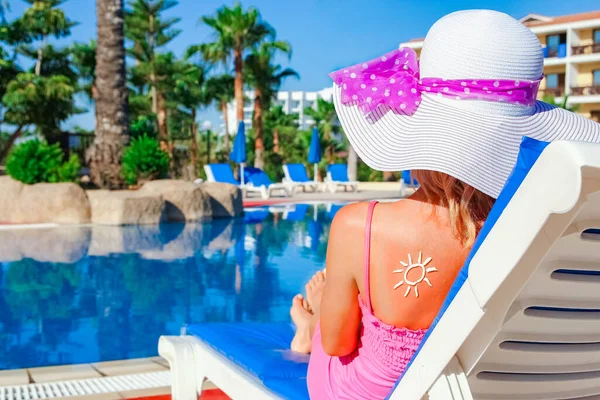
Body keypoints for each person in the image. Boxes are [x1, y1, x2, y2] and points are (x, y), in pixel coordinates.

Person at [289, 9, 600, 400]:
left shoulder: (359, 226)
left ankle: (306, 328)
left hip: (376, 394)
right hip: (518, 389)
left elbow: (337, 345)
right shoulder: (552, 231)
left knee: (325, 331)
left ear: (421, 131)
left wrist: (321, 315)